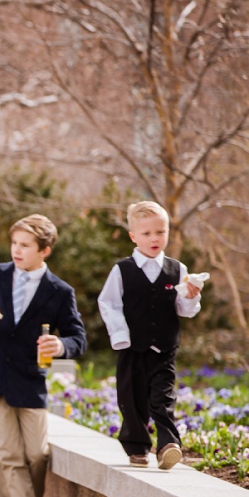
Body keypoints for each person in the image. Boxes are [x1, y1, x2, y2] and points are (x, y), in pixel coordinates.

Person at [0, 215, 87, 497]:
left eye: (25, 245)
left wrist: (62, 346)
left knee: (37, 454)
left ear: (44, 250)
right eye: (14, 243)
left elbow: (78, 337)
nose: (16, 250)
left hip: (30, 381)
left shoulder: (60, 291)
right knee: (9, 456)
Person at [98, 201, 202, 470]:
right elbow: (109, 303)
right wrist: (121, 335)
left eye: (160, 231)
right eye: (146, 233)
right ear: (133, 236)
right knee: (131, 399)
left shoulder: (177, 269)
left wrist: (192, 298)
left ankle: (168, 444)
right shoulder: (122, 270)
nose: (154, 238)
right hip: (132, 348)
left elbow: (183, 309)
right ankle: (137, 446)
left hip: (165, 348)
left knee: (163, 398)